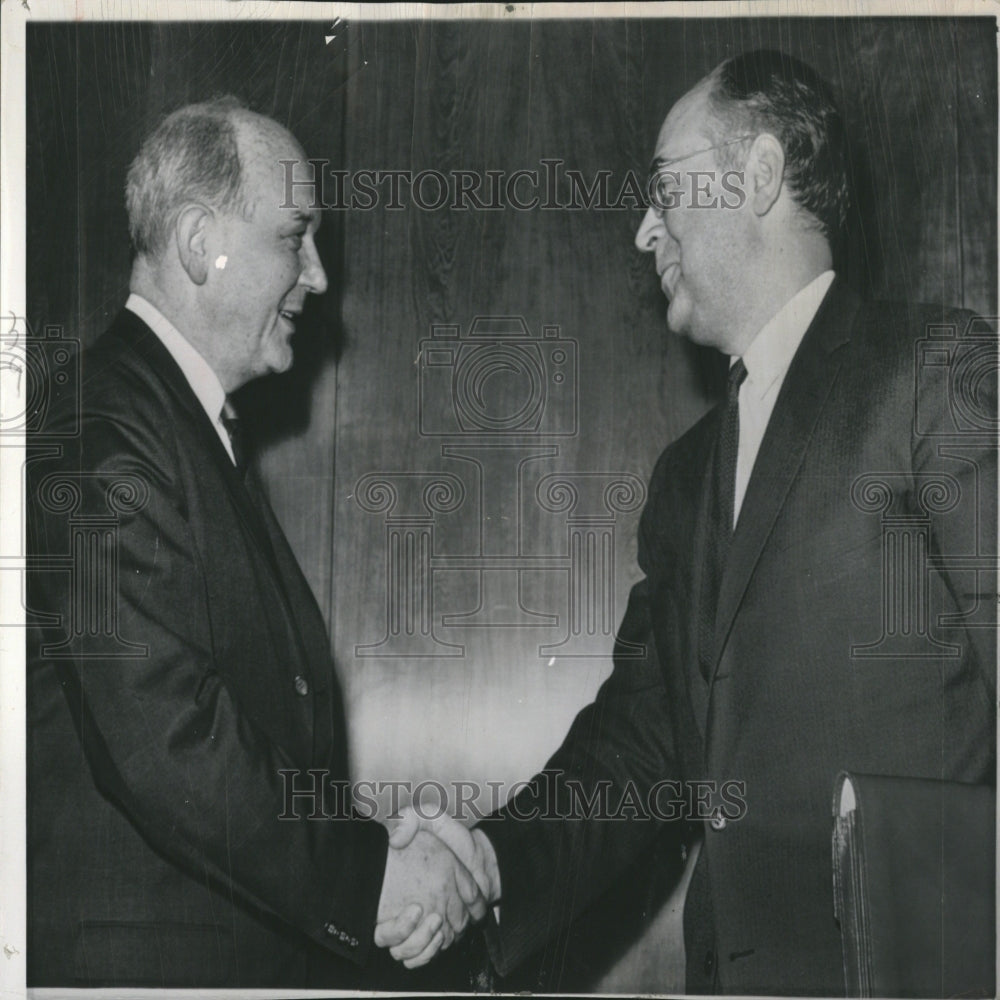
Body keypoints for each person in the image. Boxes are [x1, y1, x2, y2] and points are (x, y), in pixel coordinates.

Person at [387, 49, 996, 994]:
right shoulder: (684, 479)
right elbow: (639, 749)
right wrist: (489, 860)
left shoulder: (932, 371)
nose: (643, 231)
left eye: (663, 190)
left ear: (756, 176)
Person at [25, 97, 486, 988]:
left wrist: (367, 845)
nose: (317, 275)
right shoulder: (104, 429)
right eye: (295, 236)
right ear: (201, 243)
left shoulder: (170, 425)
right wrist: (372, 878)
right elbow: (167, 740)